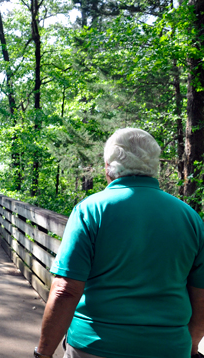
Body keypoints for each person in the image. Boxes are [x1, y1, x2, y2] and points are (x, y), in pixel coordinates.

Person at [35, 128, 204, 358]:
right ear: (155, 166)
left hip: (96, 346)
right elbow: (201, 294)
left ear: (108, 167)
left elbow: (65, 290)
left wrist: (43, 354)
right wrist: (190, 345)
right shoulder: (190, 218)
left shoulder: (90, 210)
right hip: (168, 347)